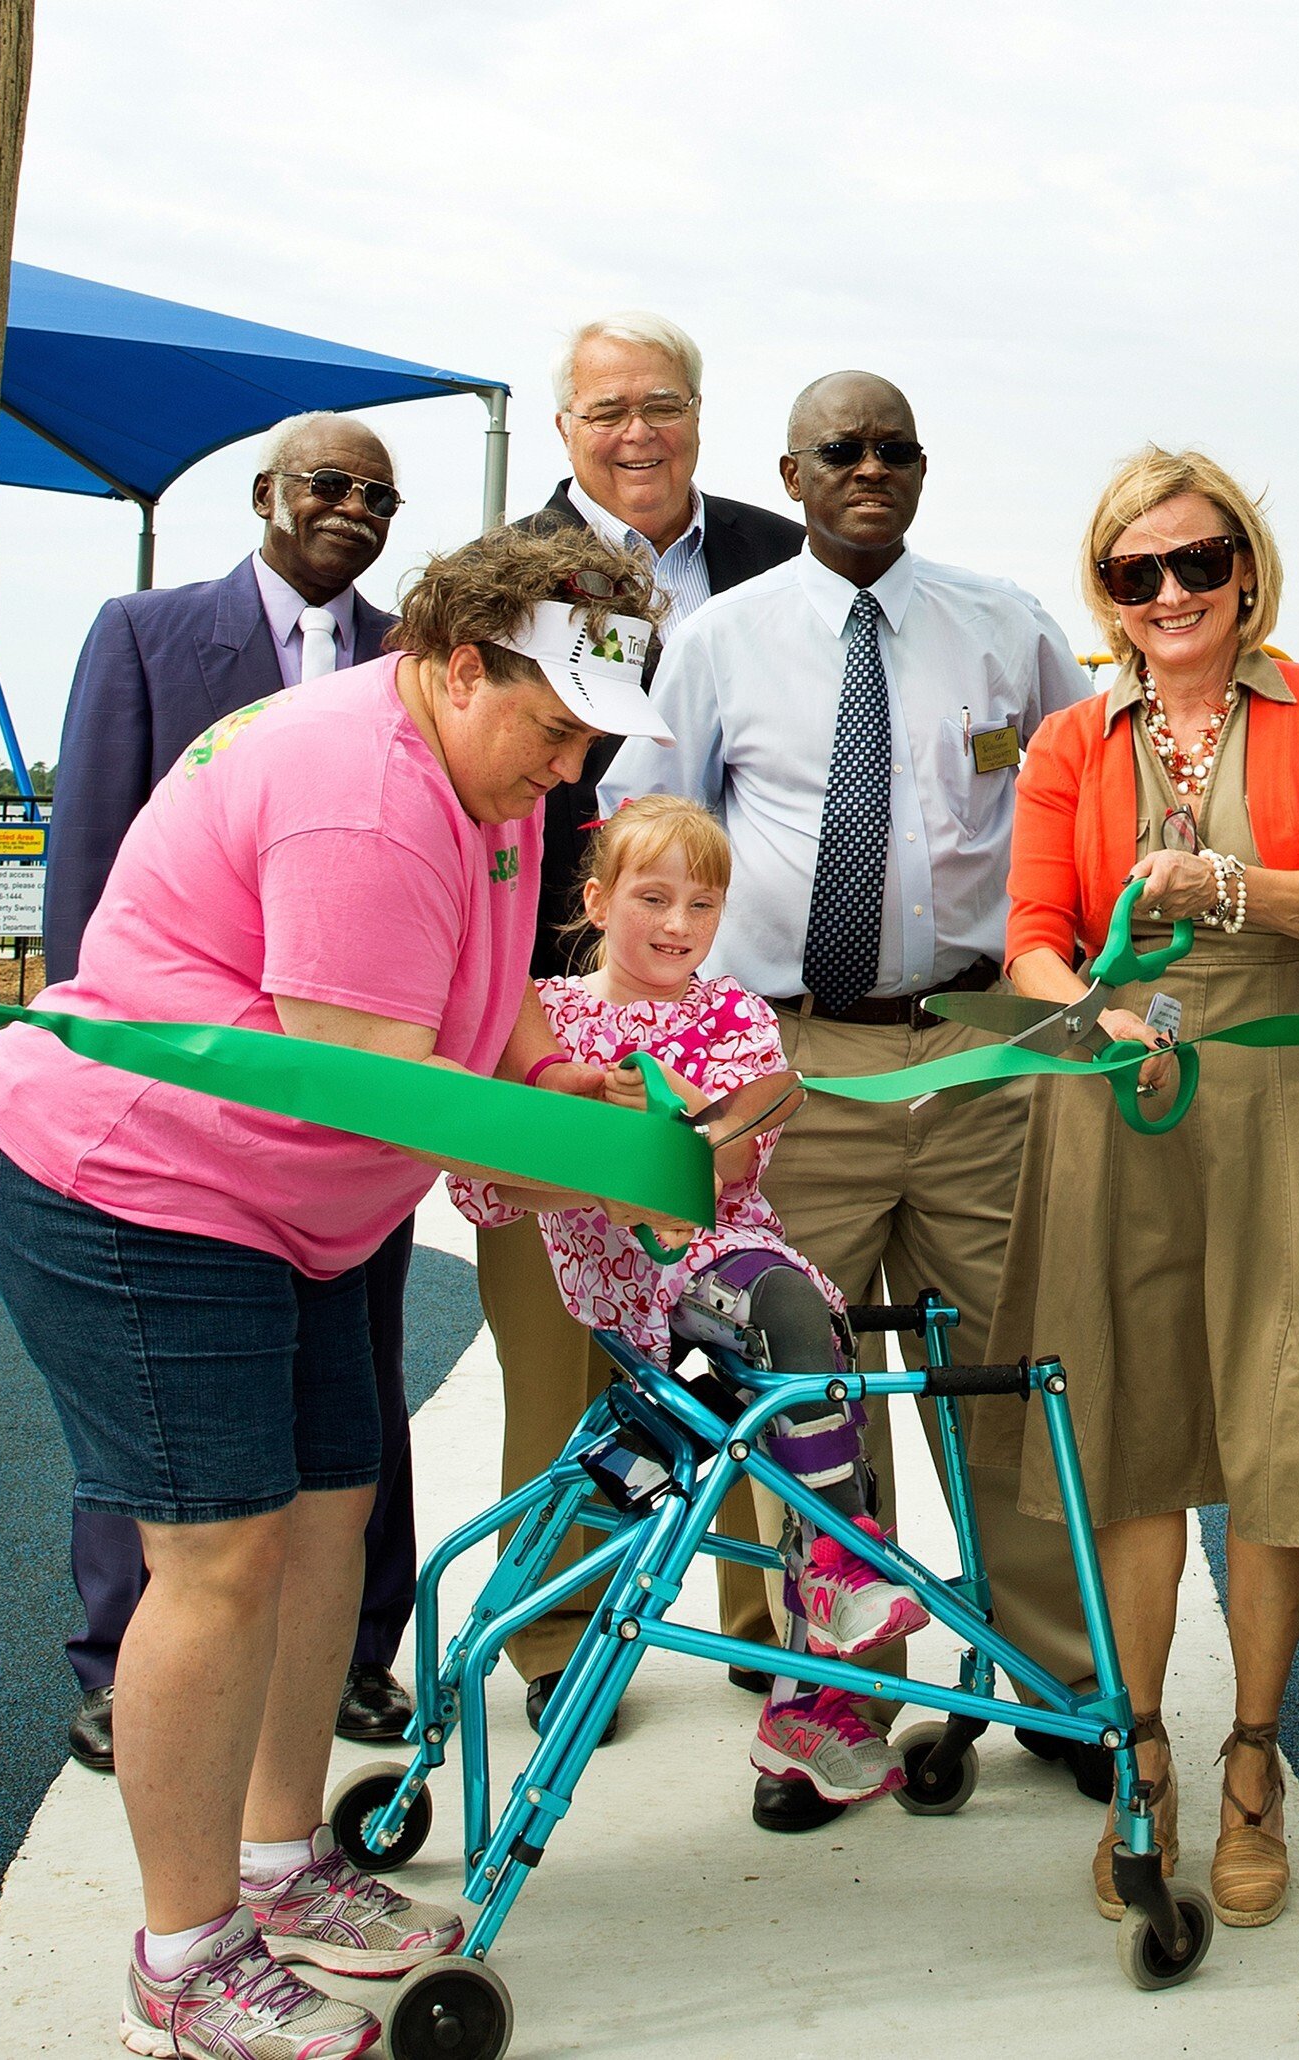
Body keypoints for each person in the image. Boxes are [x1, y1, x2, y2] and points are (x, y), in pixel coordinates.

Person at [0, 524, 671, 2057]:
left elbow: (478, 1022)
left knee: (332, 1508)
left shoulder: (477, 768)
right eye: (553, 729)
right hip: (142, 1183)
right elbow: (387, 1096)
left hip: (281, 1211)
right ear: (460, 663)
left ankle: (280, 1865)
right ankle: (185, 1944)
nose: (567, 768)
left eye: (590, 741)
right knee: (215, 1558)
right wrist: (611, 1161)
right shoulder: (364, 792)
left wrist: (558, 1073)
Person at [603, 369, 1097, 1834]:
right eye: (842, 449)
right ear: (795, 471)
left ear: (923, 469)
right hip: (785, 1065)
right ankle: (835, 1715)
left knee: (1016, 1373)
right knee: (803, 1394)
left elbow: (1084, 800)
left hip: (971, 1053)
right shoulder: (715, 643)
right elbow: (651, 838)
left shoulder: (1008, 628)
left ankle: (1056, 1684)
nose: (869, 468)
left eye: (894, 449)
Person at [987, 445, 1299, 1932]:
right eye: (1133, 571)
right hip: (1121, 1097)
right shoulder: (1068, 742)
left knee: (1281, 1416)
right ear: (1106, 590)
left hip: (1292, 1092)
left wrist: (1221, 890)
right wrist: (1085, 1012)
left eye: (1196, 561)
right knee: (1137, 1427)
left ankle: (1253, 1761)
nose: (1169, 592)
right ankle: (1140, 1753)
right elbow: (1032, 930)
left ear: (1244, 569)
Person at [41, 409, 423, 1771]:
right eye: (329, 484)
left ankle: (358, 1656)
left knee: (358, 1384)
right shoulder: (146, 636)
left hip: (353, 1077)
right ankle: (117, 1655)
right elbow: (89, 855)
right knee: (161, 1409)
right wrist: (93, 1046)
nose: (354, 510)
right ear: (266, 494)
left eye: (379, 496)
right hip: (181, 1079)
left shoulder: (416, 663)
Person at [447, 795, 934, 1805]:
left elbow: (727, 1162)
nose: (676, 923)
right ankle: (555, 1637)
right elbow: (490, 1178)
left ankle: (830, 1613)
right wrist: (615, 1138)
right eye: (653, 896)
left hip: (713, 1273)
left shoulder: (733, 1014)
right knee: (593, 1456)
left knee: (803, 1337)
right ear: (595, 898)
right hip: (619, 1302)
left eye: (701, 905)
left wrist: (623, 1126)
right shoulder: (547, 1015)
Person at [498, 314, 807, 1718]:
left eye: (663, 404)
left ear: (701, 415)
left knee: (743, 1338)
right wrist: (525, 1044)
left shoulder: (778, 558)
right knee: (564, 1362)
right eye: (605, 408)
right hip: (561, 1020)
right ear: (562, 427)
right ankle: (562, 1644)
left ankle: (766, 1630)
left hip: (741, 1016)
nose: (638, 432)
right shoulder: (504, 579)